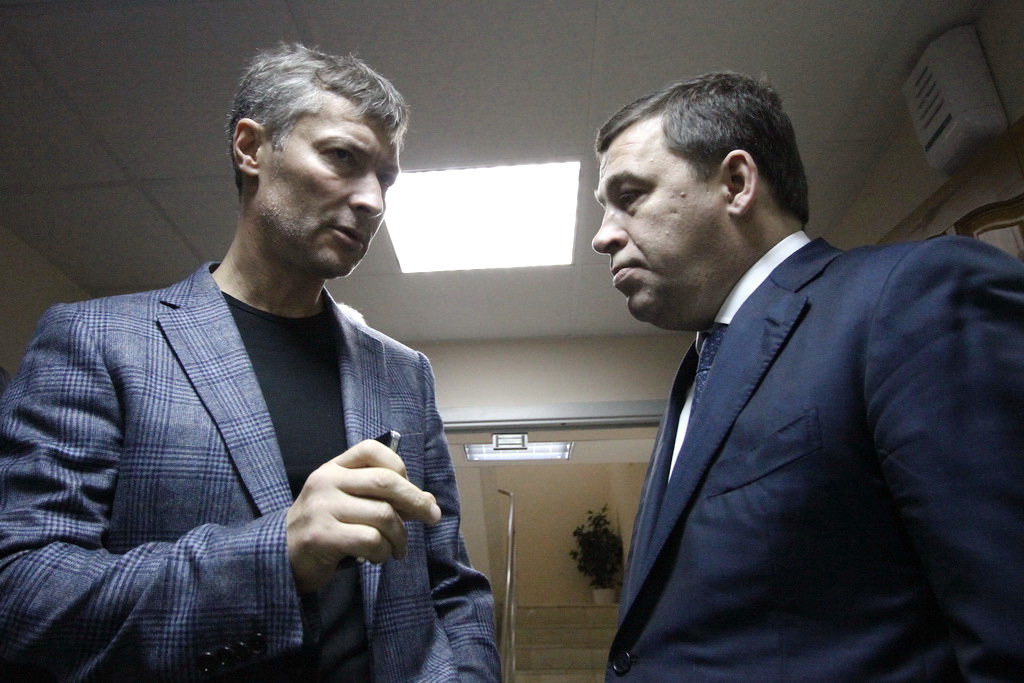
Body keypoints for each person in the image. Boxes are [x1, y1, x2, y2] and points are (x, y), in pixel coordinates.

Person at [0, 43, 499, 681]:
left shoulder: (404, 374)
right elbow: (23, 591)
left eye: (386, 179)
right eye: (343, 157)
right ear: (250, 149)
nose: (373, 200)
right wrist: (275, 557)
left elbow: (450, 585)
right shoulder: (97, 341)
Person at [592, 72, 1024, 680]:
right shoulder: (700, 369)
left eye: (630, 195)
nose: (603, 236)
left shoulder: (913, 295)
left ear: (737, 184)